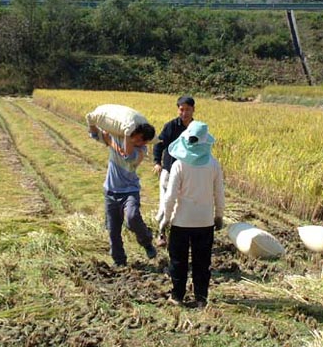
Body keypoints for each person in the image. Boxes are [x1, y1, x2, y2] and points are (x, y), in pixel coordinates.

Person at [159, 121, 225, 308]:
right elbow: (219, 193)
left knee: (178, 261)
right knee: (202, 262)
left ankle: (177, 296)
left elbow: (170, 197)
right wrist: (219, 216)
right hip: (205, 222)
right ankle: (200, 298)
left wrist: (165, 220)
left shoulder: (179, 165)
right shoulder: (213, 164)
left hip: (181, 222)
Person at [90, 123, 158, 267]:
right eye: (133, 137)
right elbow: (96, 135)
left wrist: (119, 138)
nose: (134, 141)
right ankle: (119, 261)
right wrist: (92, 124)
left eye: (138, 139)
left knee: (132, 217)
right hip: (110, 191)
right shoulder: (120, 140)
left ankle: (146, 241)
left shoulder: (141, 151)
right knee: (113, 231)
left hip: (129, 192)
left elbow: (126, 155)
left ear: (144, 142)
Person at [153, 95, 195, 247]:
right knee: (167, 201)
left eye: (187, 110)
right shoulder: (171, 126)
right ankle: (161, 234)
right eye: (181, 109)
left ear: (193, 110)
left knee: (185, 203)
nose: (184, 113)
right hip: (170, 170)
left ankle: (182, 234)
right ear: (178, 110)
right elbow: (159, 144)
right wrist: (157, 162)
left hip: (189, 173)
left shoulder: (196, 128)